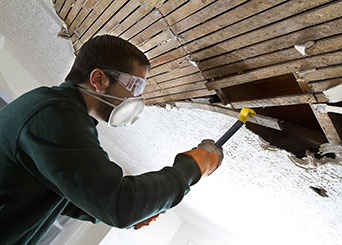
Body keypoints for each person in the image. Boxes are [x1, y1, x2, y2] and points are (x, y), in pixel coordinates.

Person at [0, 35, 223, 244]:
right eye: (135, 86)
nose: (136, 97)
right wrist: (193, 166)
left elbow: (71, 194)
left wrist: (135, 211)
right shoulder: (55, 115)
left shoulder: (53, 109)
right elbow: (121, 204)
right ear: (99, 78)